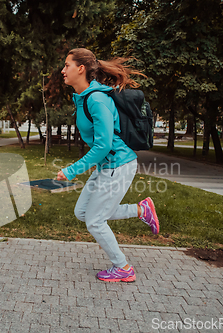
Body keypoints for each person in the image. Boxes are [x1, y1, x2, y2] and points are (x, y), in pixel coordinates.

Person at [56, 48, 159, 283]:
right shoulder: (84, 97)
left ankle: (122, 267)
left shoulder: (96, 99)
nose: (63, 70)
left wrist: (71, 170)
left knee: (95, 220)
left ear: (80, 69)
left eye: (67, 65)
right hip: (107, 167)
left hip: (118, 166)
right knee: (82, 212)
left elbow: (103, 145)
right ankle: (142, 210)